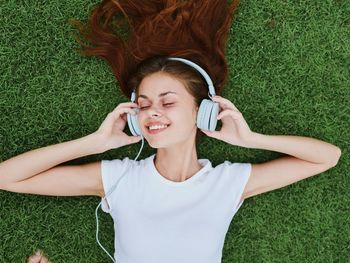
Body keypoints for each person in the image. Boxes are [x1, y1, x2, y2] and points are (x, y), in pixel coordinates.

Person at [0, 0, 341, 262]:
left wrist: (251, 140)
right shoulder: (118, 178)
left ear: (202, 111)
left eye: (168, 101)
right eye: (144, 103)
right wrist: (94, 142)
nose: (153, 113)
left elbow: (327, 157)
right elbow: (7, 177)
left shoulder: (228, 183)